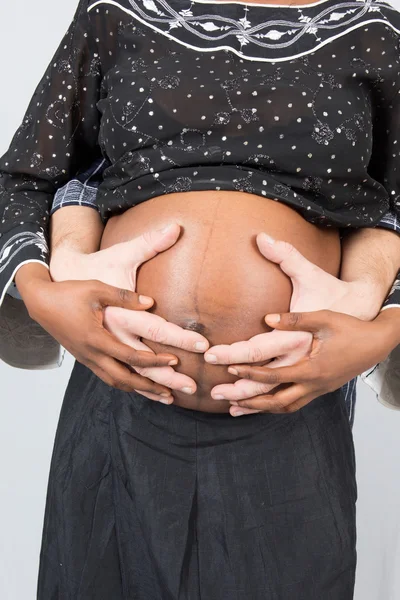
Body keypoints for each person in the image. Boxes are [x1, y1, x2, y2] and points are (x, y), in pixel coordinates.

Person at [0, 0, 400, 597]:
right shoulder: (116, 12)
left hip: (291, 412)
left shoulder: (375, 32)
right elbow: (26, 178)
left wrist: (383, 330)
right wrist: (40, 293)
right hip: (118, 403)